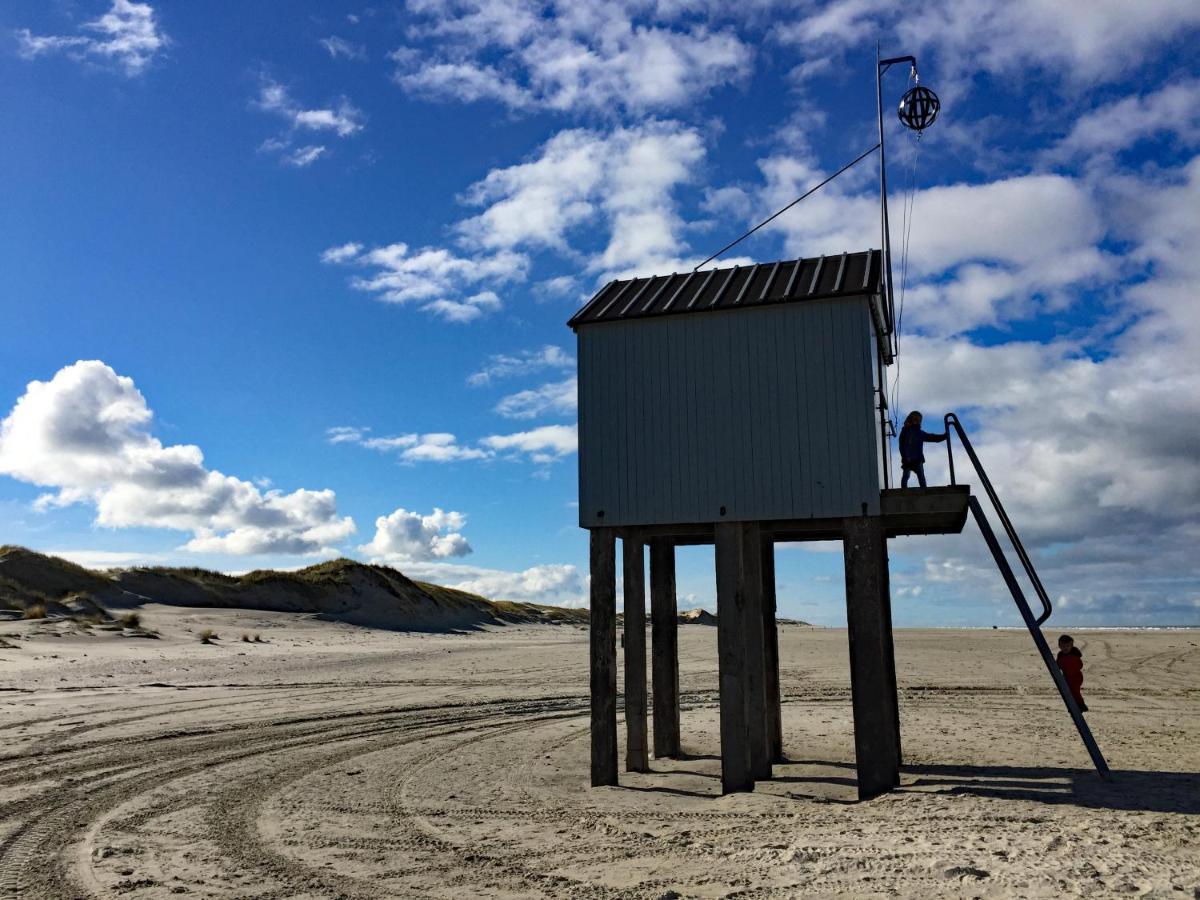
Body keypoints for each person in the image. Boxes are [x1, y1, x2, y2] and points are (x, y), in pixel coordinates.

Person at [898, 410, 947, 488]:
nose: (917, 422)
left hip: (916, 459)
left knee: (920, 477)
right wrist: (904, 457)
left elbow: (932, 437)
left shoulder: (918, 432)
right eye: (915, 420)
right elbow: (901, 446)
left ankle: (923, 490)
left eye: (918, 420)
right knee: (906, 476)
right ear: (910, 419)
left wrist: (944, 436)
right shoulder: (905, 432)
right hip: (909, 459)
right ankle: (905, 490)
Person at [1056, 634, 1088, 712]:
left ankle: (1081, 706)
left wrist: (1073, 668)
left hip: (1076, 677)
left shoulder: (1074, 655)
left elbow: (1080, 665)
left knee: (1075, 691)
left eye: (1067, 646)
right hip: (1067, 677)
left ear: (1071, 646)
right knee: (1068, 692)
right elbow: (1058, 664)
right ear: (1059, 646)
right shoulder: (1060, 655)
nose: (1065, 648)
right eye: (1063, 646)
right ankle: (1073, 705)